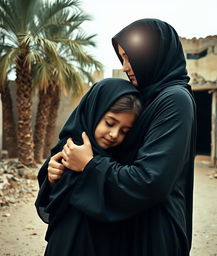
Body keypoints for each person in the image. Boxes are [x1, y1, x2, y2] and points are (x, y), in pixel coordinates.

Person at [39, 18, 197, 256]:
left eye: (129, 56)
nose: (124, 66)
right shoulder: (146, 96)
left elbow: (150, 179)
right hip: (128, 223)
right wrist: (58, 167)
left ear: (152, 53)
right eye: (121, 57)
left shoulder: (174, 99)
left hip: (154, 231)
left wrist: (90, 165)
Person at [35, 78, 141, 255]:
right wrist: (53, 178)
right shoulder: (71, 147)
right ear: (95, 111)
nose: (114, 134)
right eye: (110, 122)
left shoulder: (123, 159)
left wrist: (91, 167)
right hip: (67, 243)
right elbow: (52, 201)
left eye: (124, 131)